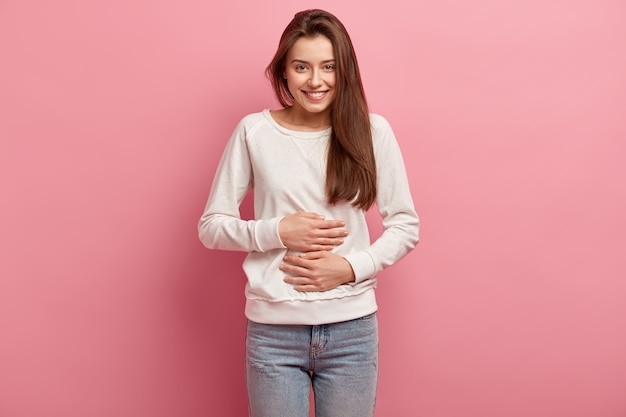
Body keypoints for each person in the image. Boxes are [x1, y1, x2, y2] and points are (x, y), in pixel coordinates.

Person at [198, 9, 419, 417]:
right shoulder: (255, 132)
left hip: (352, 330)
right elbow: (211, 227)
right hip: (273, 333)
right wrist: (278, 231)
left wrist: (352, 268)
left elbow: (406, 225)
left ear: (344, 70)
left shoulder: (372, 131)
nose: (315, 81)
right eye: (301, 67)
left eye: (328, 67)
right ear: (284, 73)